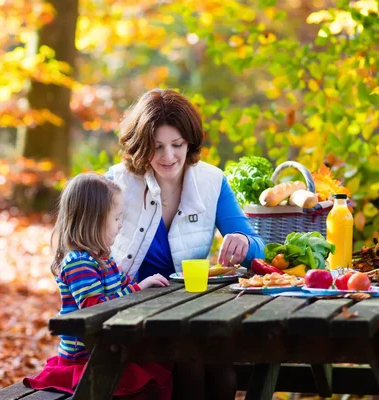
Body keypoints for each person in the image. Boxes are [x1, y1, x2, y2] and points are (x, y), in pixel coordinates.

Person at [107, 88, 265, 399]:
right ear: (141, 146)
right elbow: (83, 247)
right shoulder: (117, 183)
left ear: (189, 142)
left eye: (177, 145)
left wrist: (243, 242)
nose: (168, 157)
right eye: (157, 147)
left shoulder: (211, 181)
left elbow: (258, 248)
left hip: (191, 314)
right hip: (131, 313)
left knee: (223, 374)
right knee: (190, 368)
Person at [24, 173, 173, 399]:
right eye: (116, 219)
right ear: (93, 220)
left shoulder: (103, 258)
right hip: (85, 358)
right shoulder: (79, 263)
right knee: (146, 387)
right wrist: (139, 289)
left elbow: (125, 284)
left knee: (165, 371)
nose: (121, 224)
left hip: (104, 349)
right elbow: (95, 307)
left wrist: (145, 284)